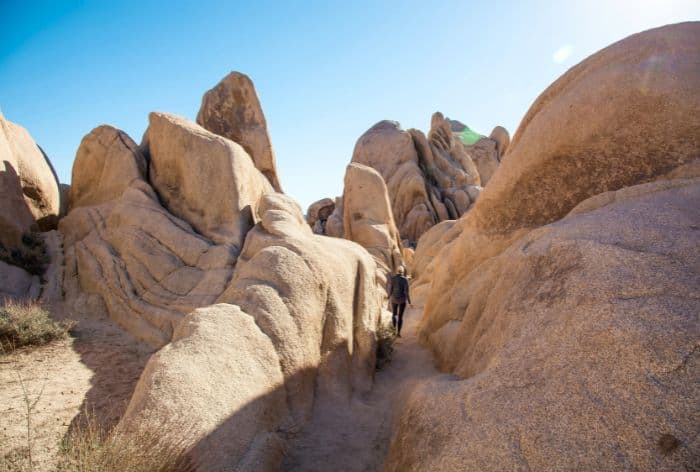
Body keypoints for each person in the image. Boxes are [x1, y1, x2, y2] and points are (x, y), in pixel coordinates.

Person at [387, 266, 411, 337]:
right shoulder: (405, 279)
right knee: (400, 316)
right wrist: (409, 302)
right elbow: (406, 292)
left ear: (397, 271)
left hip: (394, 299)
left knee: (394, 314)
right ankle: (398, 333)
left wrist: (388, 297)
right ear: (403, 272)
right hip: (402, 300)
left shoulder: (393, 278)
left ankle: (393, 331)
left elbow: (391, 289)